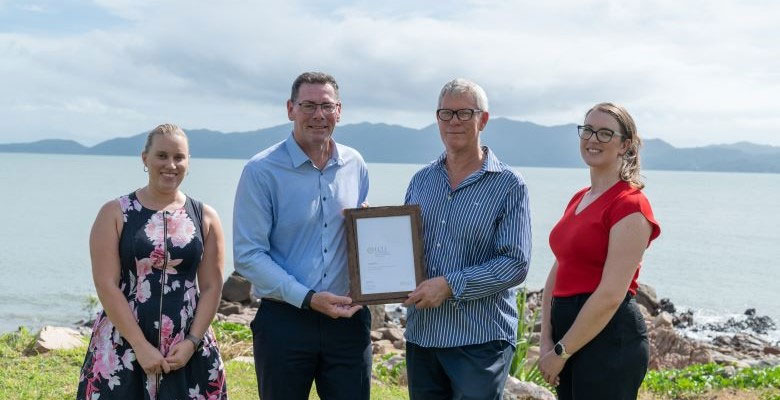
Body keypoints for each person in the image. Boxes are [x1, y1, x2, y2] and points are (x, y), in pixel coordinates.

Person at [233, 71, 371, 400]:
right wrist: (307, 298)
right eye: (308, 105)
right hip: (285, 322)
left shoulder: (356, 164)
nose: (318, 115)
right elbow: (248, 255)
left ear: (340, 110)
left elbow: (359, 237)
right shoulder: (261, 170)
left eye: (327, 106)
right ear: (290, 109)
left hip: (348, 323)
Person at [402, 78, 532, 400]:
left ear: (483, 120)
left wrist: (450, 285)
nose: (454, 121)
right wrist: (368, 235)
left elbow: (515, 263)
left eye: (464, 113)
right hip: (423, 335)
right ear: (437, 119)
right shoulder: (421, 181)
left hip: (480, 339)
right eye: (446, 113)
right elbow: (404, 247)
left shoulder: (509, 185)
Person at [77, 124, 227, 399]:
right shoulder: (114, 213)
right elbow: (106, 283)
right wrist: (140, 345)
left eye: (179, 157)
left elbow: (211, 286)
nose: (170, 164)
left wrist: (192, 343)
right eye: (162, 155)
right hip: (122, 344)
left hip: (187, 346)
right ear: (145, 159)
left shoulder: (206, 216)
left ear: (188, 162)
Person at [539, 102, 661, 399]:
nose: (593, 139)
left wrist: (561, 350)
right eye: (588, 130)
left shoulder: (631, 205)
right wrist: (546, 340)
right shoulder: (580, 197)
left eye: (605, 133)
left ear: (625, 145)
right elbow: (560, 267)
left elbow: (609, 295)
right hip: (569, 339)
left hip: (609, 341)